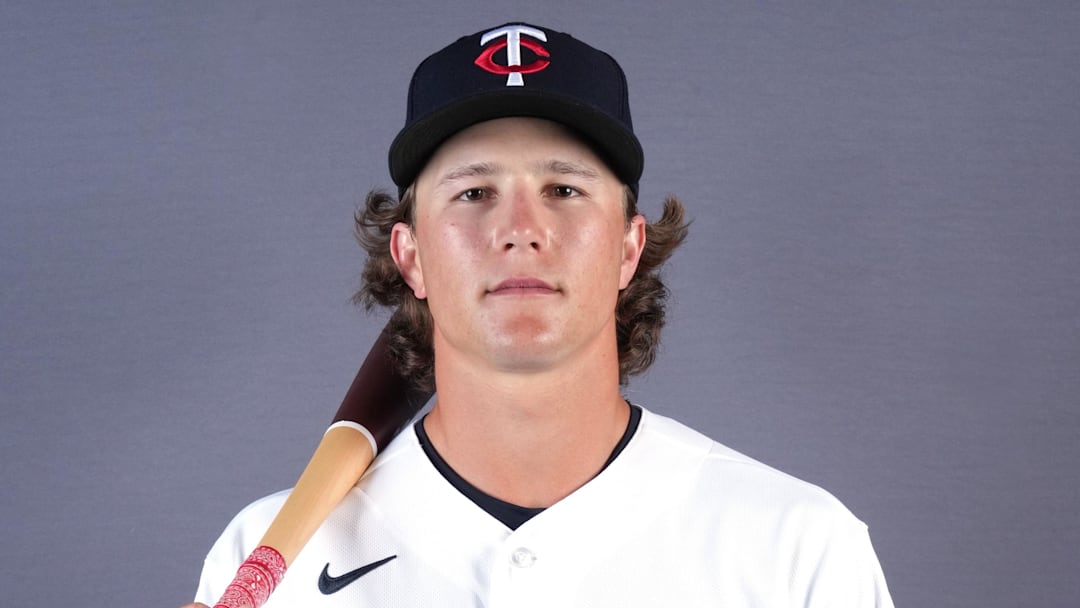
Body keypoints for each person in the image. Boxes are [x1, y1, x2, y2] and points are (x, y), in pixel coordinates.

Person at [188, 22, 893, 607]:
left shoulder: (798, 551)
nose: (520, 228)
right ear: (410, 257)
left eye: (562, 188)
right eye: (473, 193)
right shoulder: (265, 561)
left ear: (628, 246)